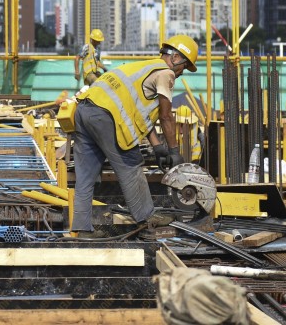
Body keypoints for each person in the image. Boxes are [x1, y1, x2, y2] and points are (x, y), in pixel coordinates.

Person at [70, 34, 199, 238]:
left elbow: (139, 113)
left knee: (85, 176)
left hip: (83, 110)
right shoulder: (165, 73)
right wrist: (174, 151)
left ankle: (83, 230)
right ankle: (146, 219)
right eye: (185, 66)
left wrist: (158, 147)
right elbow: (166, 116)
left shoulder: (141, 68)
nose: (182, 72)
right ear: (175, 57)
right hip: (105, 116)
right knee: (131, 163)